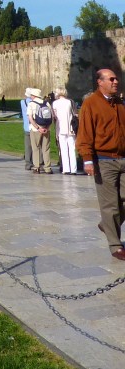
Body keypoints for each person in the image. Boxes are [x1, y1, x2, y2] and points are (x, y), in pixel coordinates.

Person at [76, 68, 125, 260]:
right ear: (100, 82)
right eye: (111, 79)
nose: (115, 81)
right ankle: (115, 246)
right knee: (110, 205)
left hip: (123, 158)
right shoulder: (91, 104)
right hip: (103, 160)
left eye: (116, 78)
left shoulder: (119, 103)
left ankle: (107, 225)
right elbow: (85, 134)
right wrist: (87, 159)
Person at [52, 86, 77, 175]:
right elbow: (75, 114)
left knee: (63, 149)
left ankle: (66, 169)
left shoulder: (55, 103)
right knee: (72, 149)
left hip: (60, 128)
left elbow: (54, 117)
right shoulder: (70, 102)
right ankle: (73, 169)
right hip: (71, 128)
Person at [27, 88, 53, 174]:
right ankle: (47, 167)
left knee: (36, 148)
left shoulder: (31, 104)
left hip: (35, 129)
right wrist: (46, 127)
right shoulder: (47, 103)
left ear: (33, 96)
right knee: (46, 148)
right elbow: (51, 117)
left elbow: (30, 118)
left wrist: (38, 128)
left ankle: (37, 167)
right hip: (46, 128)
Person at [20, 88, 34, 171]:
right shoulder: (33, 103)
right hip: (34, 126)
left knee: (27, 146)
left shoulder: (22, 102)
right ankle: (36, 161)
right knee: (36, 146)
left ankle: (28, 163)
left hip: (26, 126)